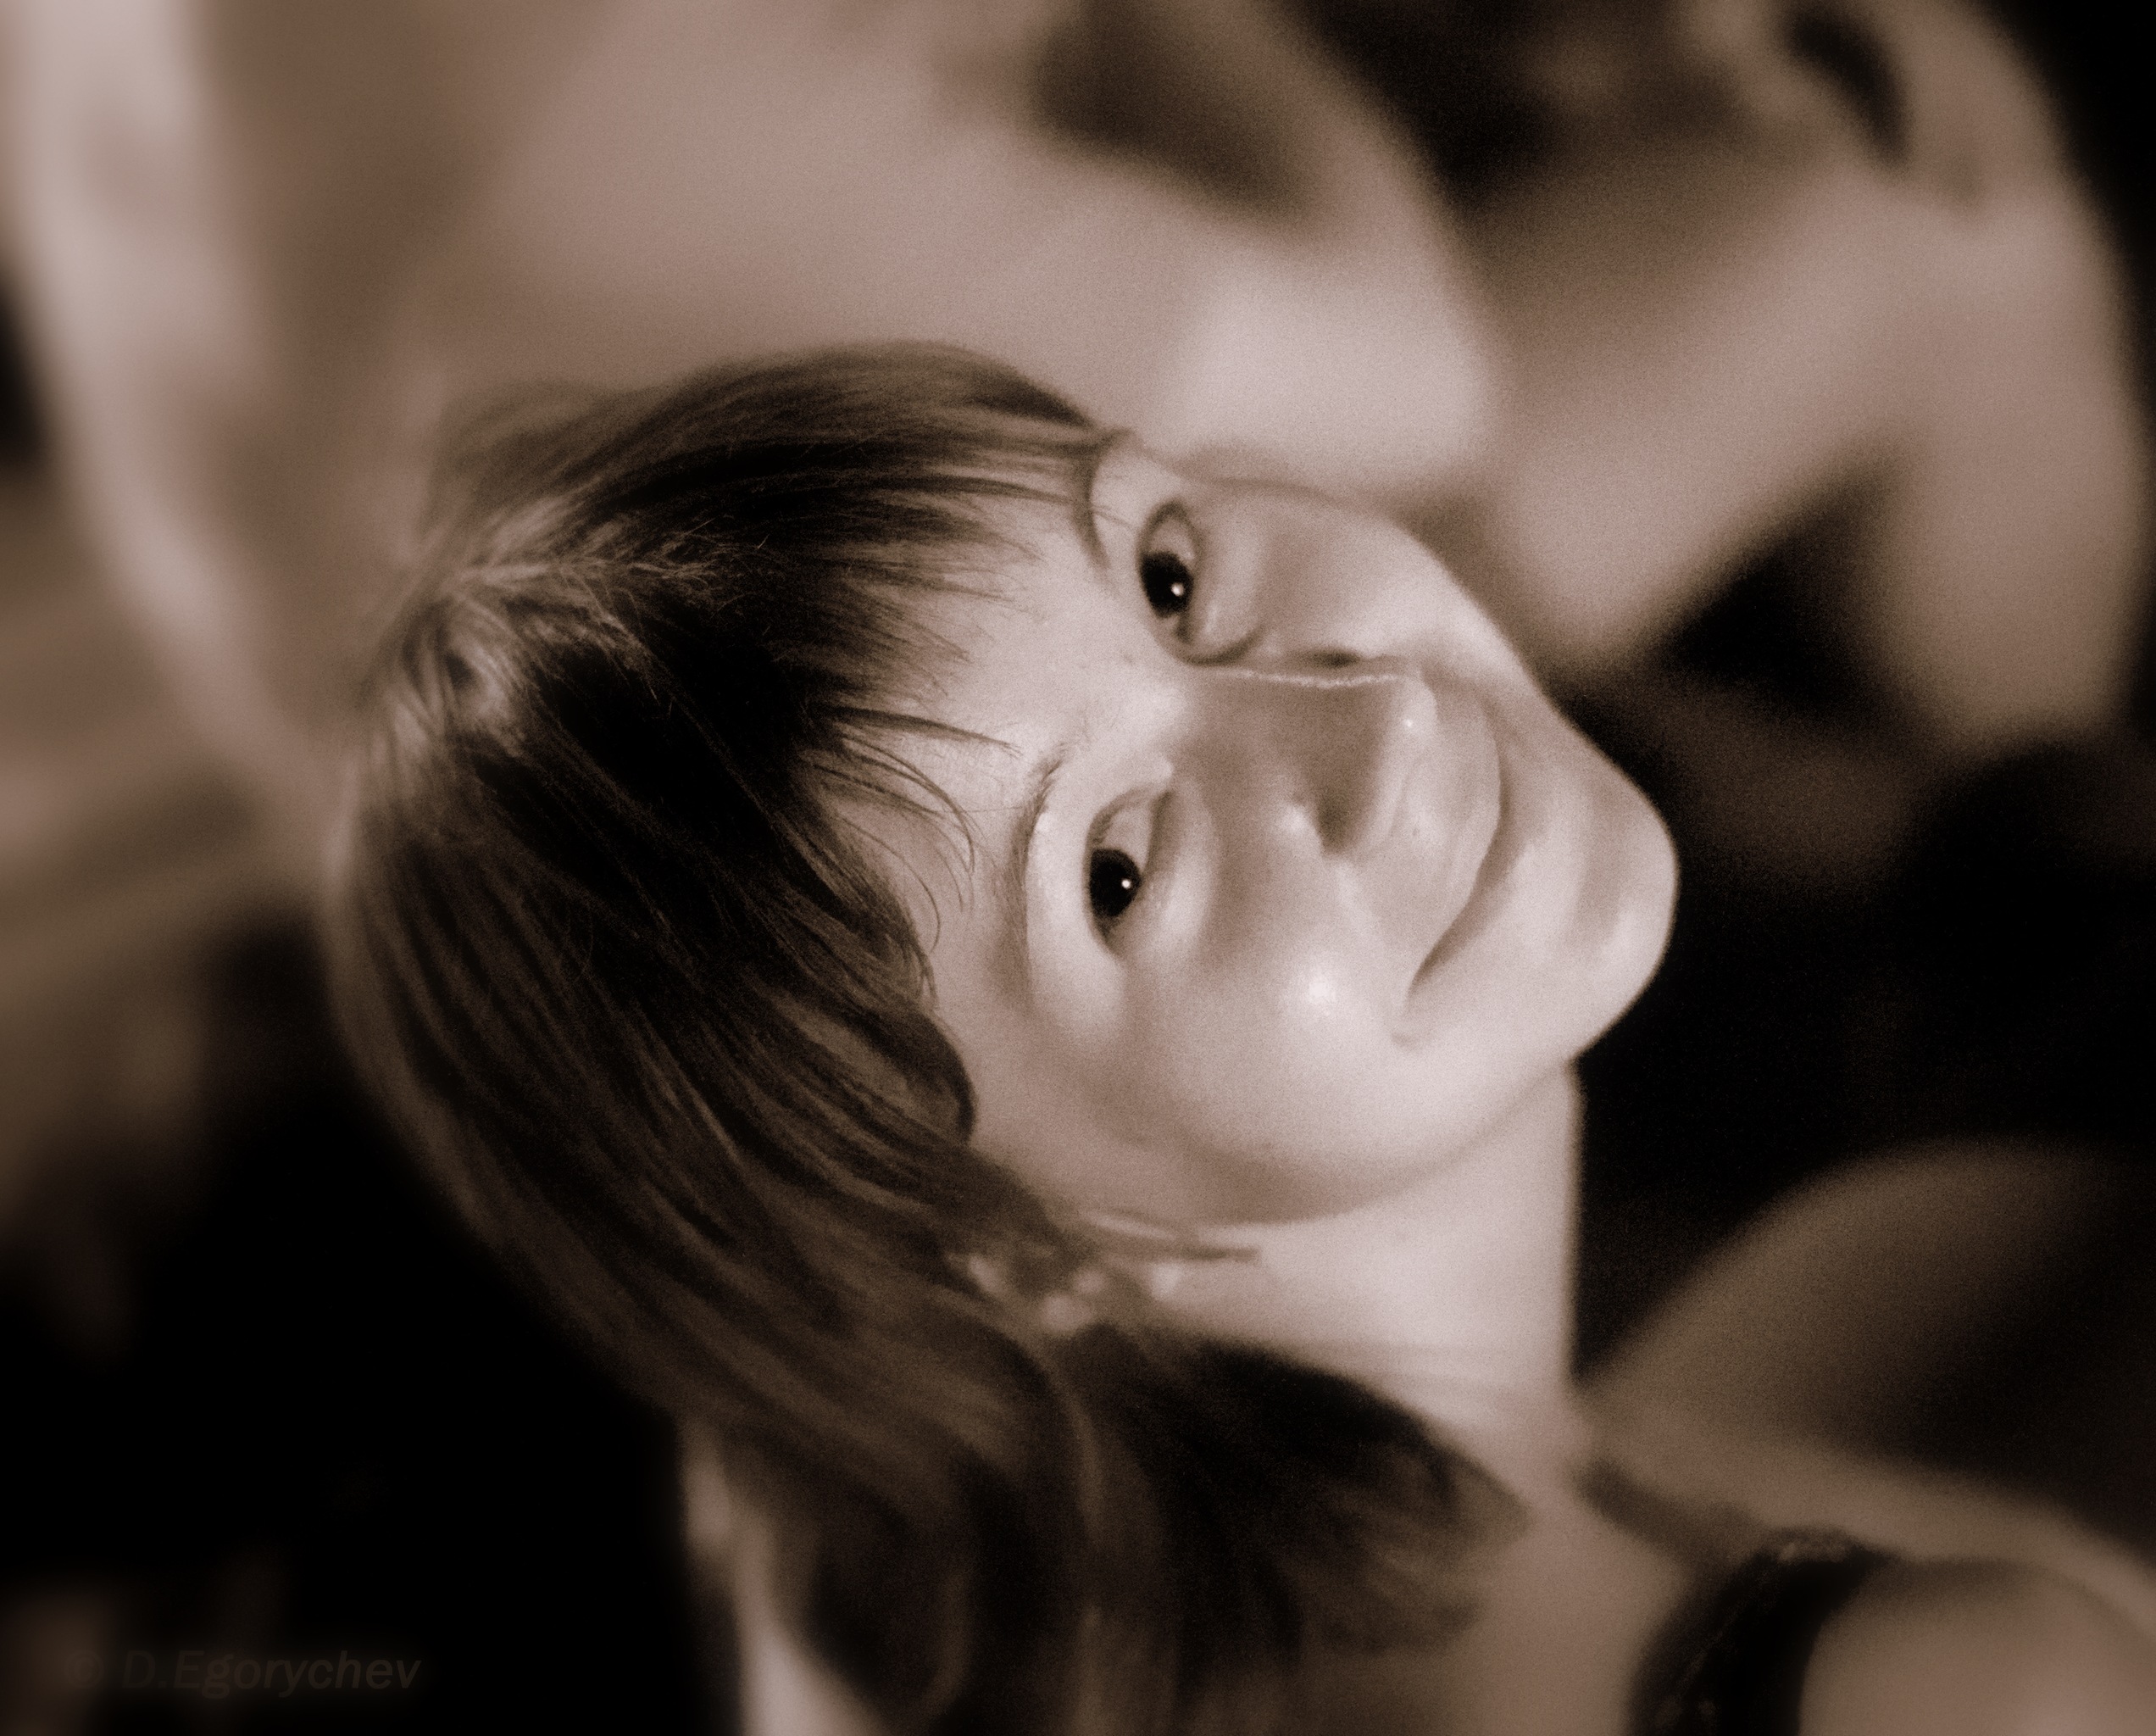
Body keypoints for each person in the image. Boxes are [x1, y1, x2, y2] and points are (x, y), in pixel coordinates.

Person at [327, 342, 2156, 1735]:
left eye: (1169, 576)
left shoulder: (870, 1532)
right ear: (1011, 1248)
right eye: (1116, 871)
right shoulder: (1970, 1688)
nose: (1373, 729)